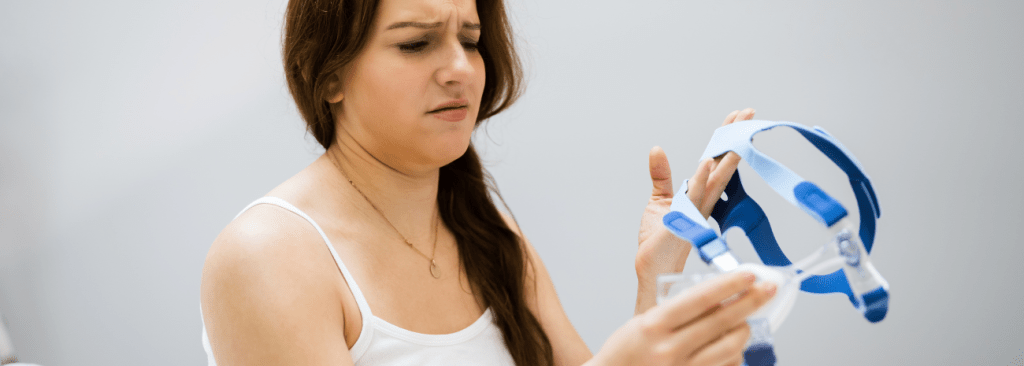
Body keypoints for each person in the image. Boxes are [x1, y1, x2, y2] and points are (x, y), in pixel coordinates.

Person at [199, 0, 776, 364]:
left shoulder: (485, 231)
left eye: (471, 40)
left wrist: (658, 282)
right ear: (326, 76)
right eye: (415, 43)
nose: (460, 68)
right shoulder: (266, 257)